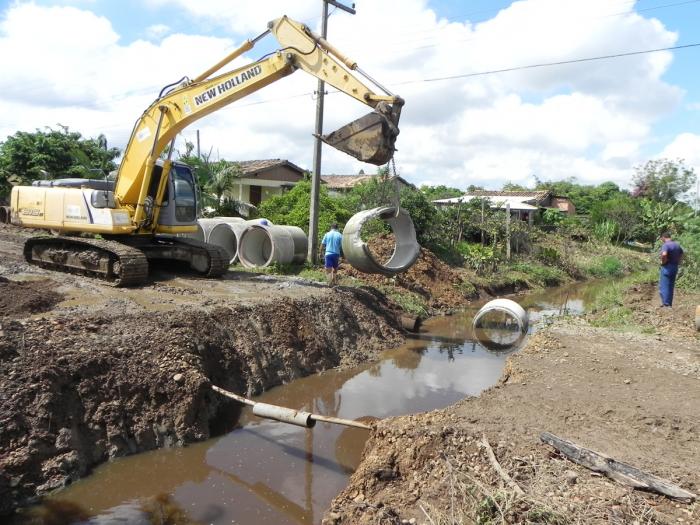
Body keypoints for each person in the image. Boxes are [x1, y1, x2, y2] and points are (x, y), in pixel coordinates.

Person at [659, 232, 683, 307]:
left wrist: (664, 261)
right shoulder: (677, 245)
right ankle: (669, 304)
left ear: (663, 237)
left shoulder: (665, 245)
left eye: (661, 239)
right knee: (670, 286)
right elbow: (682, 254)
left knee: (664, 285)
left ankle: (666, 304)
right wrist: (678, 261)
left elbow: (664, 254)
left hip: (667, 267)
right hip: (675, 267)